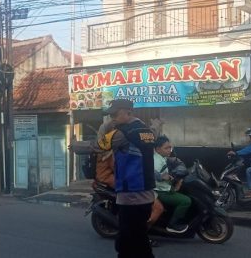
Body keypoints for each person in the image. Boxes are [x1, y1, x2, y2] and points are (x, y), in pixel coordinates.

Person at [70, 99, 156, 258]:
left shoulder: (122, 134)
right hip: (146, 192)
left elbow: (95, 146)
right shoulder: (147, 131)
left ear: (128, 112)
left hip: (131, 193)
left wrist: (74, 145)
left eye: (115, 114)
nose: (112, 118)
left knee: (128, 242)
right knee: (138, 236)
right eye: (110, 116)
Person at [153, 135, 191, 234]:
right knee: (186, 201)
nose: (169, 150)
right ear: (157, 149)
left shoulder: (162, 158)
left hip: (166, 188)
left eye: (170, 147)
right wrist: (163, 177)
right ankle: (172, 225)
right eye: (166, 148)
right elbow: (156, 176)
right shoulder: (156, 161)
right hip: (161, 191)